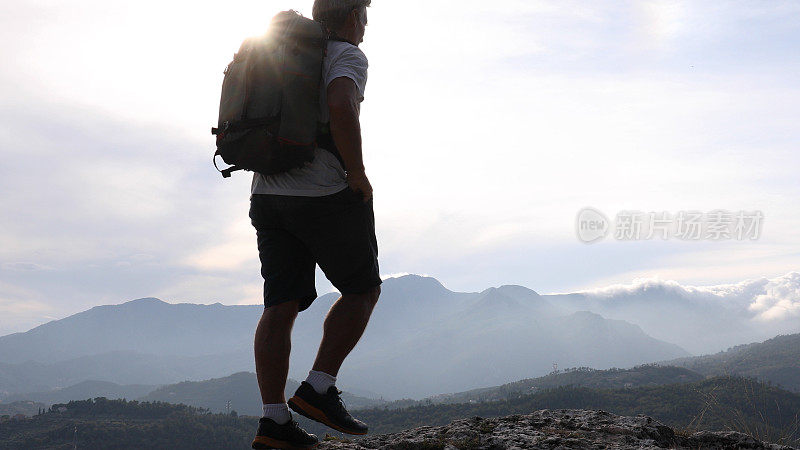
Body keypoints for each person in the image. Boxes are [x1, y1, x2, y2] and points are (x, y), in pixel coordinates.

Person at [249, 1, 380, 448]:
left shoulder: (281, 50)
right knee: (363, 289)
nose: (367, 24)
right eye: (364, 15)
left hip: (266, 193)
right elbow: (342, 106)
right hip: (322, 192)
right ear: (347, 17)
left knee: (279, 305)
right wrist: (357, 172)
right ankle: (319, 388)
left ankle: (273, 421)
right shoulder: (346, 54)